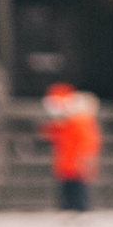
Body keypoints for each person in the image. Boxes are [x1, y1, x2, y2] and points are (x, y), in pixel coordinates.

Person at [38, 84, 101, 218]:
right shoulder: (67, 123)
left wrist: (85, 158)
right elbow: (52, 133)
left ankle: (81, 209)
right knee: (67, 188)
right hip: (66, 163)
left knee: (79, 189)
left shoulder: (82, 122)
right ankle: (68, 208)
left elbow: (88, 142)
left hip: (78, 163)